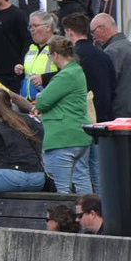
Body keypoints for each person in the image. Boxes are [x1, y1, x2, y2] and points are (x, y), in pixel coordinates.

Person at [34, 37, 91, 194]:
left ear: (56, 55)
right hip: (80, 135)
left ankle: (64, 218)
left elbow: (43, 102)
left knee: (61, 189)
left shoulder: (65, 75)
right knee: (81, 179)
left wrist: (40, 97)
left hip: (62, 137)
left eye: (50, 56)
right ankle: (88, 215)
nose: (50, 59)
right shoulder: (77, 71)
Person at [91, 14, 131, 120]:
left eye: (93, 31)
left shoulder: (112, 51)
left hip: (118, 116)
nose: (94, 37)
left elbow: (106, 86)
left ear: (102, 28)